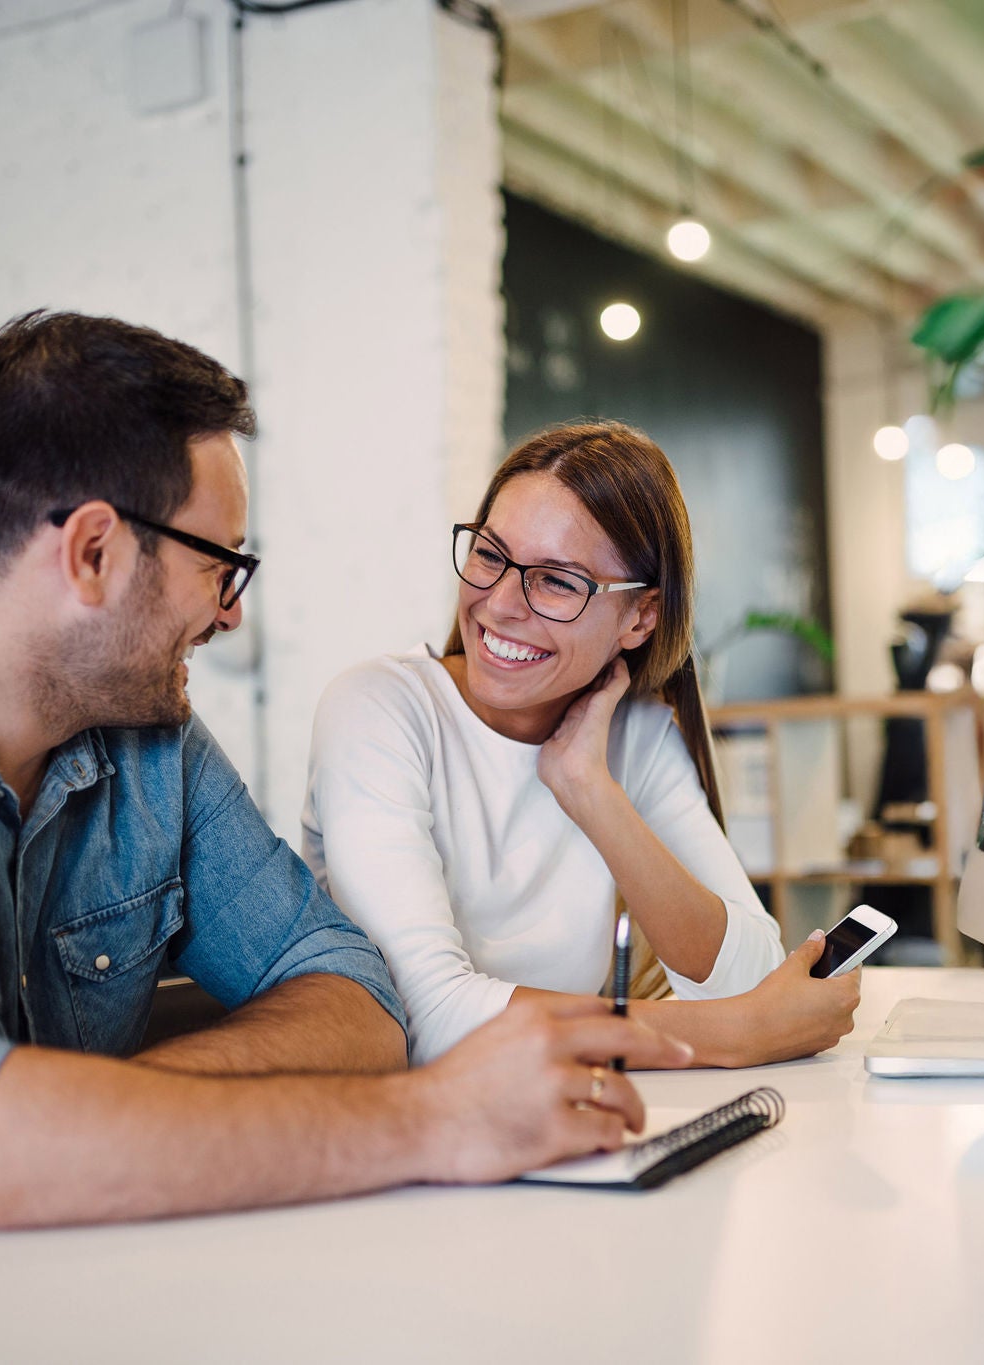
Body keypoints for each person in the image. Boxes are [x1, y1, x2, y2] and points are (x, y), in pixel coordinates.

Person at [0, 314, 689, 1294]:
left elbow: (354, 1001)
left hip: (17, 1301)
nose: (231, 615)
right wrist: (440, 1121)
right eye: (220, 566)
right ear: (95, 552)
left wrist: (72, 1118)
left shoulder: (152, 751)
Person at [302, 421, 859, 1066]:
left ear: (639, 617)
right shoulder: (379, 709)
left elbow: (752, 979)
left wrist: (587, 788)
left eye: (558, 582)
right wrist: (735, 1033)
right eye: (489, 555)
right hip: (413, 1134)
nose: (503, 604)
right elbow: (426, 1016)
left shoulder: (636, 738)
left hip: (557, 1119)